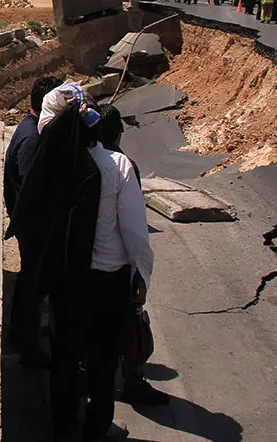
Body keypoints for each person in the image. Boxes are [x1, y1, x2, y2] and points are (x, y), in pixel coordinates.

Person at [13, 82, 154, 441]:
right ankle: (95, 429)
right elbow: (136, 233)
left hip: (66, 284)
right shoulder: (117, 165)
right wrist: (142, 276)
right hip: (108, 283)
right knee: (103, 363)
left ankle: (63, 428)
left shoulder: (48, 168)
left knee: (65, 357)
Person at [95, 104, 169, 407]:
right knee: (130, 326)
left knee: (95, 331)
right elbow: (134, 227)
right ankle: (131, 383)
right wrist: (142, 270)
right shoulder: (124, 167)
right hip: (117, 266)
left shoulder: (81, 160)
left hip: (84, 266)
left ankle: (98, 382)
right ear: (119, 133)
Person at [3, 76, 64, 365]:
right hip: (32, 226)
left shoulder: (31, 131)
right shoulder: (32, 138)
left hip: (30, 223)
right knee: (32, 282)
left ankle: (21, 334)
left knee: (30, 280)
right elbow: (31, 186)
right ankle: (27, 346)